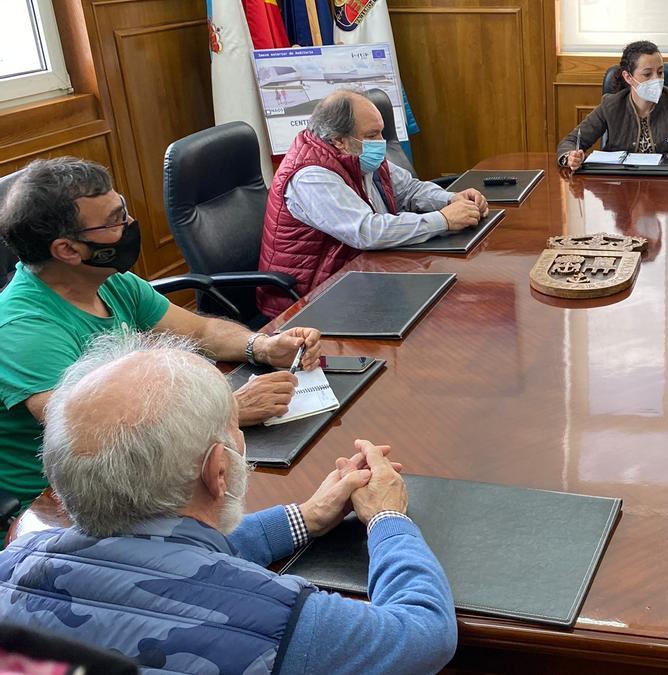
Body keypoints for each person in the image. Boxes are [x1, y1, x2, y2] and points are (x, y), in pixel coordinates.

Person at [0, 333, 457, 675]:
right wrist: (387, 518)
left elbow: (155, 562)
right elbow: (424, 635)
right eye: (236, 430)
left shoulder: (12, 562)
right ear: (219, 473)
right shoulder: (278, 621)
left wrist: (303, 519)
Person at [0, 157, 321, 525]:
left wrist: (262, 346)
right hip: (67, 508)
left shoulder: (107, 280)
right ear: (69, 251)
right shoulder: (23, 329)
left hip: (142, 471)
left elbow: (200, 332)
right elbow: (93, 438)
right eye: (116, 220)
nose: (131, 225)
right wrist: (226, 409)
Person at [258, 88, 489, 317]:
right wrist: (444, 220)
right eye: (372, 135)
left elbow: (409, 189)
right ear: (339, 140)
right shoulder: (311, 176)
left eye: (381, 133)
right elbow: (367, 231)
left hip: (360, 274)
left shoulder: (357, 155)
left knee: (452, 299)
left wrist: (451, 198)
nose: (381, 142)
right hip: (309, 301)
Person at [555, 40, 668, 176]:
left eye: (660, 72)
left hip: (665, 185)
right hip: (619, 186)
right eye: (647, 74)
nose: (657, 80)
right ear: (628, 77)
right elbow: (571, 141)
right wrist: (571, 156)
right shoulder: (611, 105)